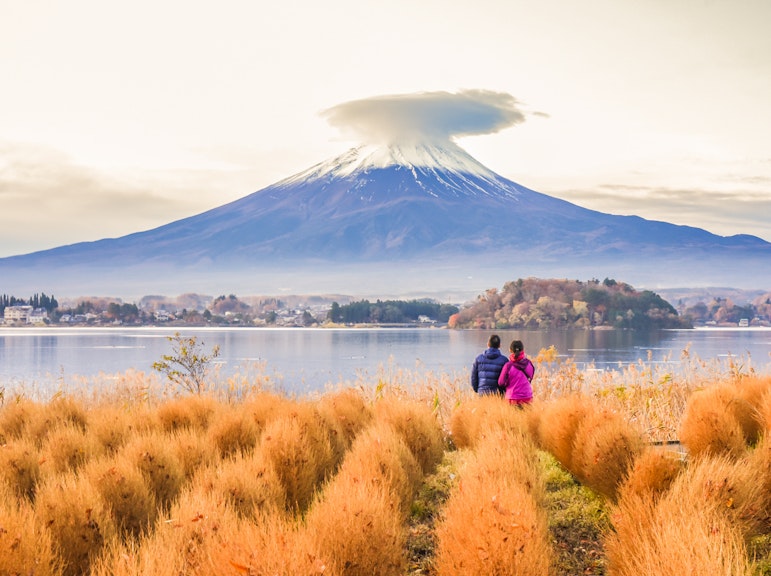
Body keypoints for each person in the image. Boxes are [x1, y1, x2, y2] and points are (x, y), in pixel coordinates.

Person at [498, 339, 535, 406]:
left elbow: (501, 383)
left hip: (512, 398)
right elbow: (531, 377)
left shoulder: (508, 366)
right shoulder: (529, 364)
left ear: (510, 350)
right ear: (523, 350)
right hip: (527, 397)